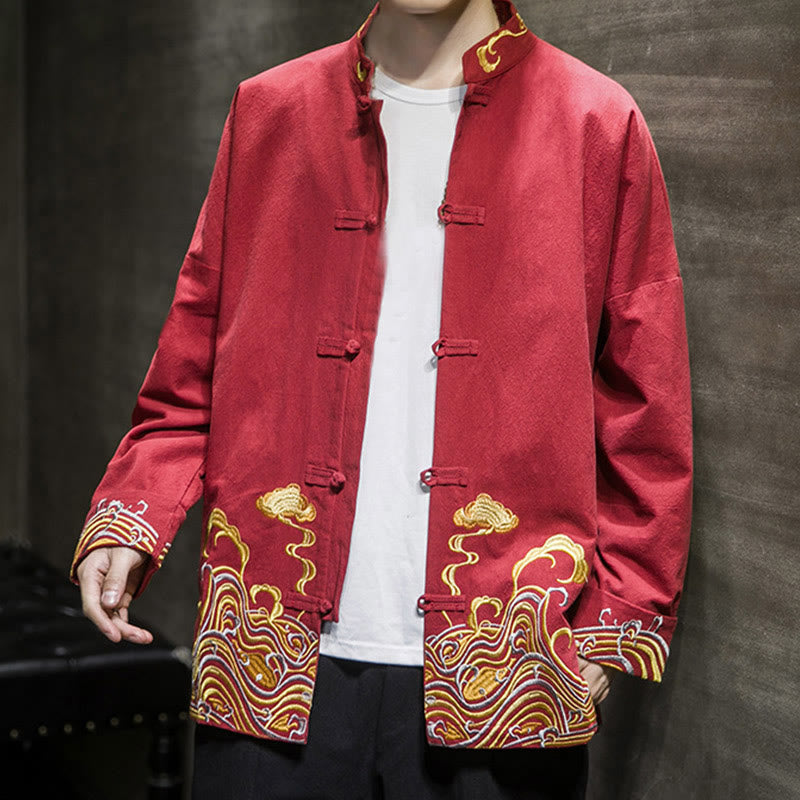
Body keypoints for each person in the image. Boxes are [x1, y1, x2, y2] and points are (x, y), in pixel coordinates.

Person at [70, 1, 693, 797]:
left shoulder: (594, 123)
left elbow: (648, 404)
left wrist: (613, 626)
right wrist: (134, 512)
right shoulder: (271, 112)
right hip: (270, 656)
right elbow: (194, 359)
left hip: (508, 670)